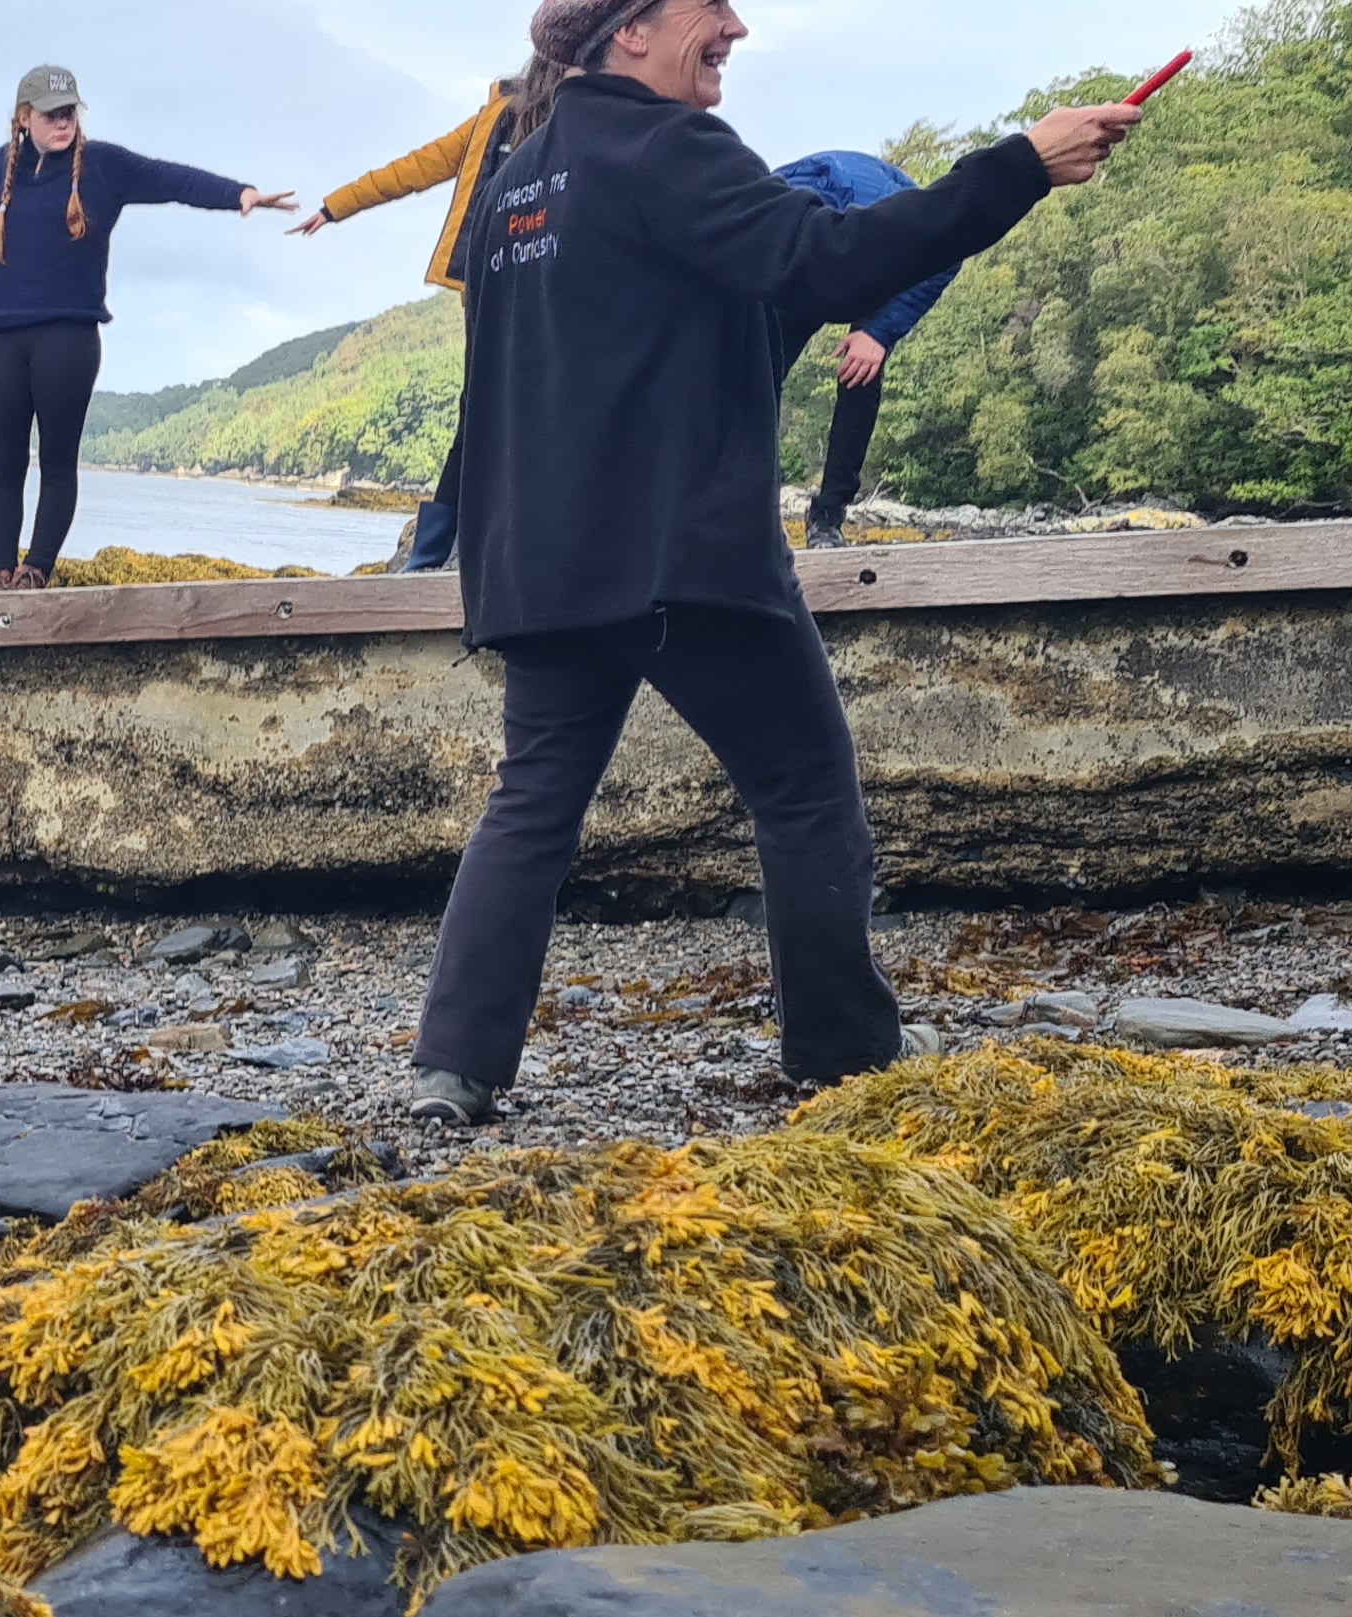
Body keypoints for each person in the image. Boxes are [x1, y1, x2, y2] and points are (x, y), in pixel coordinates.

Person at [403, 0, 1139, 1125]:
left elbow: (515, 379)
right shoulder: (668, 146)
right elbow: (832, 260)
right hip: (676, 559)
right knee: (803, 791)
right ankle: (842, 1060)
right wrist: (1019, 167)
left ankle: (452, 1070)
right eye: (711, 8)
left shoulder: (519, 179)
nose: (736, 26)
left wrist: (469, 555)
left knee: (534, 804)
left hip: (539, 564)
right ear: (631, 33)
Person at [0, 67, 295, 591]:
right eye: (53, 114)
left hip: (67, 339)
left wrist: (240, 195)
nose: (64, 121)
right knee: (4, 463)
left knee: (57, 459)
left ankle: (37, 569)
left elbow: (171, 179)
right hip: (1, 336)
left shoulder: (102, 167)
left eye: (71, 111)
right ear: (24, 118)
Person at [291, 66, 562, 573]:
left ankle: (453, 548)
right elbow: (415, 170)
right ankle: (433, 552)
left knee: (512, 407)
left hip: (551, 285)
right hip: (490, 286)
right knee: (478, 409)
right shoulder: (494, 122)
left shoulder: (581, 124)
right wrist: (335, 207)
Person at [772, 150, 959, 547]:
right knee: (753, 379)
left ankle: (828, 516)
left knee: (862, 371)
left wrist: (879, 334)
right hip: (800, 268)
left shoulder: (889, 221)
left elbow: (949, 251)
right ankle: (749, 507)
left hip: (874, 261)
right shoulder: (758, 220)